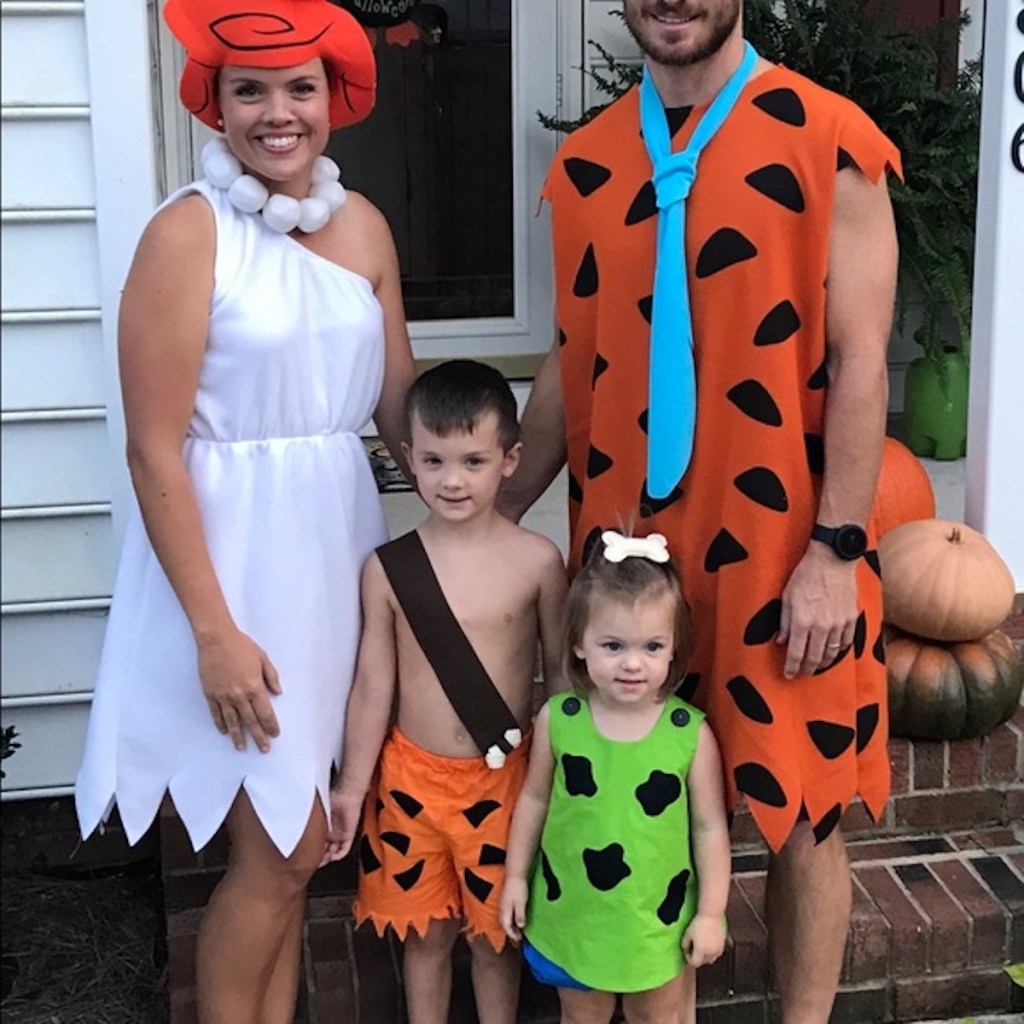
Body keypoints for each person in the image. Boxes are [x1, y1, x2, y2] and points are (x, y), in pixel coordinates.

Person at [500, 2, 900, 1021]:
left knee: (802, 810)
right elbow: (567, 355)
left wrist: (835, 551)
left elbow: (861, 364)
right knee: (624, 791)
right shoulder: (585, 165)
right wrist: (493, 512)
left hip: (779, 544)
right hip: (623, 568)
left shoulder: (828, 142)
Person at [74, 1, 415, 1020]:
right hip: (231, 566)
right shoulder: (187, 232)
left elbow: (399, 405)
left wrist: (485, 501)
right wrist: (213, 631)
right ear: (212, 101)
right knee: (278, 847)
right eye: (249, 89)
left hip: (332, 549)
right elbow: (151, 444)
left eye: (299, 87)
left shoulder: (364, 228)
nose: (277, 112)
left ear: (336, 98)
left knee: (301, 844)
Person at [325, 359, 567, 1024]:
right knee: (423, 937)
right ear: (407, 456)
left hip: (505, 785)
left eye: (472, 460)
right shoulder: (387, 569)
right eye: (433, 461)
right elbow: (374, 682)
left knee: (496, 940)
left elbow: (563, 680)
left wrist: (573, 772)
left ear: (510, 460)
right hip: (408, 783)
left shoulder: (540, 561)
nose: (451, 480)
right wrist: (350, 786)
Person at [500, 532, 730, 1024]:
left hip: (654, 921)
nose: (632, 662)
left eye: (652, 646)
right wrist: (516, 878)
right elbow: (535, 800)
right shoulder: (559, 719)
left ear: (674, 649)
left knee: (659, 1016)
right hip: (575, 916)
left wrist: (711, 913)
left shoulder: (689, 734)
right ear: (579, 644)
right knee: (582, 1015)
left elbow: (709, 828)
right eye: (613, 644)